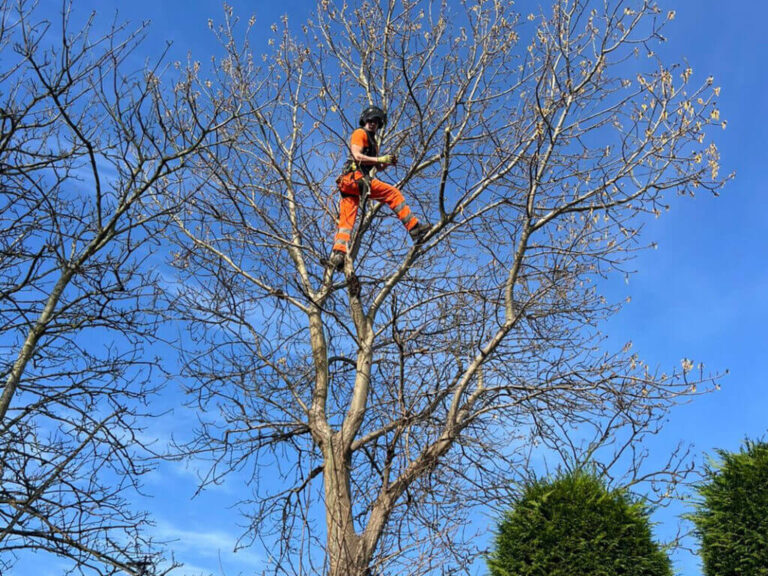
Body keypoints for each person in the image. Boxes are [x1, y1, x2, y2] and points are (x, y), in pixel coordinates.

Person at [327, 105, 429, 270]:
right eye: (371, 120)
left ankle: (338, 256)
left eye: (376, 121)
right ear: (365, 120)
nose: (373, 123)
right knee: (393, 193)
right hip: (354, 178)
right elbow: (357, 156)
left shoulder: (374, 144)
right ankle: (414, 228)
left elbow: (377, 166)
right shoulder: (360, 133)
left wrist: (386, 162)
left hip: (350, 186)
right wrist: (380, 159)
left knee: (346, 222)